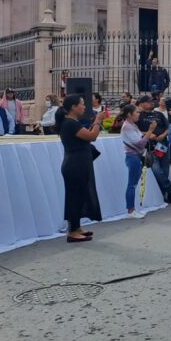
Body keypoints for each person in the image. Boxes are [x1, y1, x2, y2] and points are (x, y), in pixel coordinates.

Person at [57, 94, 107, 243]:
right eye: (82, 104)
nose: (85, 107)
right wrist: (98, 121)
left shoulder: (73, 122)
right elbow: (91, 136)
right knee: (74, 197)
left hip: (79, 164)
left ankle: (77, 227)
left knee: (80, 195)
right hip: (74, 165)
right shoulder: (70, 123)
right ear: (73, 107)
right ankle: (72, 231)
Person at [136, 94, 171, 203]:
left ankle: (164, 193)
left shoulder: (159, 114)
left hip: (163, 143)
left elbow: (168, 127)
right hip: (150, 145)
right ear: (142, 104)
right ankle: (169, 187)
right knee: (156, 168)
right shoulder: (139, 115)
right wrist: (148, 134)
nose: (152, 103)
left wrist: (163, 134)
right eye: (148, 102)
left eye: (152, 101)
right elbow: (135, 130)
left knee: (165, 168)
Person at [119, 104, 154, 219]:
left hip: (135, 156)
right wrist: (150, 131)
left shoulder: (131, 125)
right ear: (129, 114)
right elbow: (140, 143)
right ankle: (131, 210)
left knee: (133, 184)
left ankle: (132, 209)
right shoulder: (127, 126)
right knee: (132, 185)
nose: (139, 114)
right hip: (133, 157)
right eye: (137, 112)